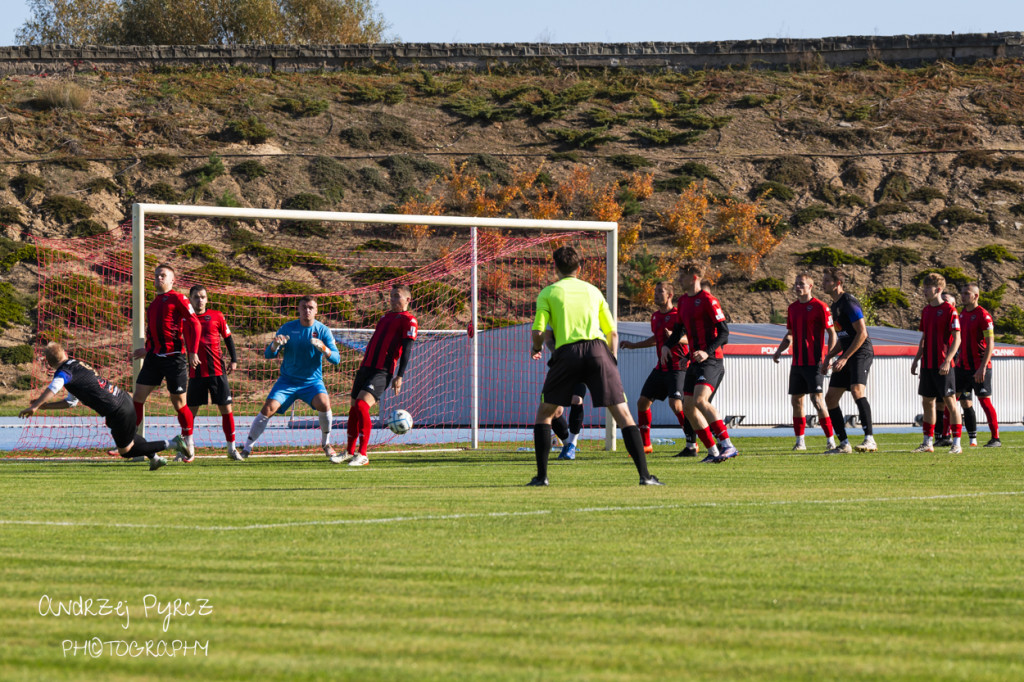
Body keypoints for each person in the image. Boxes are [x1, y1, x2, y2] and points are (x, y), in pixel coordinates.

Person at [529, 245, 662, 486]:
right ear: (579, 268)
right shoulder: (593, 291)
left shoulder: (548, 292)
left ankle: (542, 477)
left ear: (555, 268)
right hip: (598, 351)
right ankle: (645, 476)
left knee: (545, 413)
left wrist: (537, 348)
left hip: (567, 352)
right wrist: (611, 362)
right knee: (623, 414)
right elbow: (612, 333)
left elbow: (538, 331)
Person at [20, 342, 186, 471]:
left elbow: (54, 387)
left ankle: (173, 443)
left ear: (49, 364)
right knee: (129, 437)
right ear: (65, 353)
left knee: (126, 451)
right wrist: (45, 406)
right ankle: (155, 459)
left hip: (117, 409)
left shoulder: (63, 372)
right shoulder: (75, 365)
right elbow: (71, 402)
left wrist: (35, 406)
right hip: (121, 401)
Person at [239, 295, 341, 460]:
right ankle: (246, 448)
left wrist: (324, 349)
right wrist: (275, 345)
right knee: (268, 409)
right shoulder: (287, 328)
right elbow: (268, 354)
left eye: (310, 308)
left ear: (316, 310)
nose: (307, 310)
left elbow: (336, 359)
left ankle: (326, 444)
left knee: (324, 403)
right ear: (298, 309)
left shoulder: (323, 330)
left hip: (311, 382)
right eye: (303, 307)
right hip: (287, 381)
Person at [663, 261, 738, 464]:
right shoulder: (684, 302)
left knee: (700, 401)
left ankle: (727, 444)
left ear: (694, 277)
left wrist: (706, 352)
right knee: (687, 407)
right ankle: (713, 450)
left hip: (711, 360)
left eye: (682, 276)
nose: (679, 279)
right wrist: (667, 346)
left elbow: (724, 333)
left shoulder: (708, 300)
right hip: (695, 362)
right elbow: (679, 330)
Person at [338, 284, 417, 467]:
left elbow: (406, 350)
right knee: (353, 409)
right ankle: (349, 452)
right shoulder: (384, 318)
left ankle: (363, 454)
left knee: (361, 405)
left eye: (397, 296)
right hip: (366, 367)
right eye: (391, 296)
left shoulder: (409, 320)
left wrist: (400, 375)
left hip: (383, 370)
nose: (392, 299)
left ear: (407, 299)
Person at [621, 280, 699, 458]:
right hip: (661, 368)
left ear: (670, 295)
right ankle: (645, 445)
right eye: (655, 292)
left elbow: (692, 338)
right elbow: (656, 339)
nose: (656, 295)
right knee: (642, 402)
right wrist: (633, 345)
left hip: (679, 367)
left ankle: (692, 443)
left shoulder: (679, 314)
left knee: (677, 406)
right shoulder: (655, 316)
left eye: (660, 292)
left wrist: (676, 338)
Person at [131, 263, 201, 461]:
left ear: (172, 280)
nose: (158, 278)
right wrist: (148, 349)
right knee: (138, 397)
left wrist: (193, 352)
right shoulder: (153, 304)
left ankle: (188, 442)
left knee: (179, 403)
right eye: (156, 276)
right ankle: (132, 443)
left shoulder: (178, 298)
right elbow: (154, 332)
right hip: (154, 358)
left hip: (174, 358)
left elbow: (194, 323)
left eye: (163, 275)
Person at [772, 273, 838, 452]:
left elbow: (832, 333)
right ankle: (800, 441)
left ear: (811, 286)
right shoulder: (792, 308)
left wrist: (828, 357)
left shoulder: (820, 307)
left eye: (801, 284)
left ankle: (831, 440)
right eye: (796, 284)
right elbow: (790, 334)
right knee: (796, 401)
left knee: (817, 400)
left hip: (814, 362)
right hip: (797, 363)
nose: (797, 287)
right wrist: (779, 350)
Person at [821, 268, 876, 454]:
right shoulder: (834, 306)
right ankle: (844, 444)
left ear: (837, 283)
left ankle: (870, 439)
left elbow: (862, 334)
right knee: (830, 398)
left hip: (861, 352)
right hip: (847, 353)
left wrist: (844, 358)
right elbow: (844, 337)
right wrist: (829, 356)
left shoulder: (849, 303)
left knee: (857, 390)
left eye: (827, 280)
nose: (823, 283)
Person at [186, 285, 240, 461]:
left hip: (217, 372)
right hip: (196, 373)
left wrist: (234, 360)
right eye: (196, 297)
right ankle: (188, 449)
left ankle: (231, 449)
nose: (199, 300)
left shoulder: (217, 316)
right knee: (190, 413)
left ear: (207, 299)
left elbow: (228, 338)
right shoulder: (185, 319)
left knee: (226, 409)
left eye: (202, 297)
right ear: (190, 299)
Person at [911, 272, 962, 453]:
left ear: (938, 289)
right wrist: (916, 360)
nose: (924, 290)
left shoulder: (950, 310)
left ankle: (956, 443)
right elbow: (924, 338)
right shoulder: (926, 310)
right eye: (924, 287)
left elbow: (957, 339)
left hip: (943, 365)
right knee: (927, 402)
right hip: (927, 364)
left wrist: (948, 360)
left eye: (928, 287)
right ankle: (928, 442)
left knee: (950, 402)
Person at [956, 283, 1000, 447]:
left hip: (979, 367)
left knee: (984, 401)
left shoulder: (983, 315)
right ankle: (949, 438)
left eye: (967, 293)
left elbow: (990, 344)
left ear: (976, 296)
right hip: (962, 367)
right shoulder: (962, 315)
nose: (963, 296)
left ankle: (995, 438)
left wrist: (982, 367)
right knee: (950, 399)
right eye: (962, 293)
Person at [550, 383, 586, 460]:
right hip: (559, 377)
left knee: (577, 399)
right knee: (553, 411)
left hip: (578, 375)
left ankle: (572, 444)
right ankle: (566, 444)